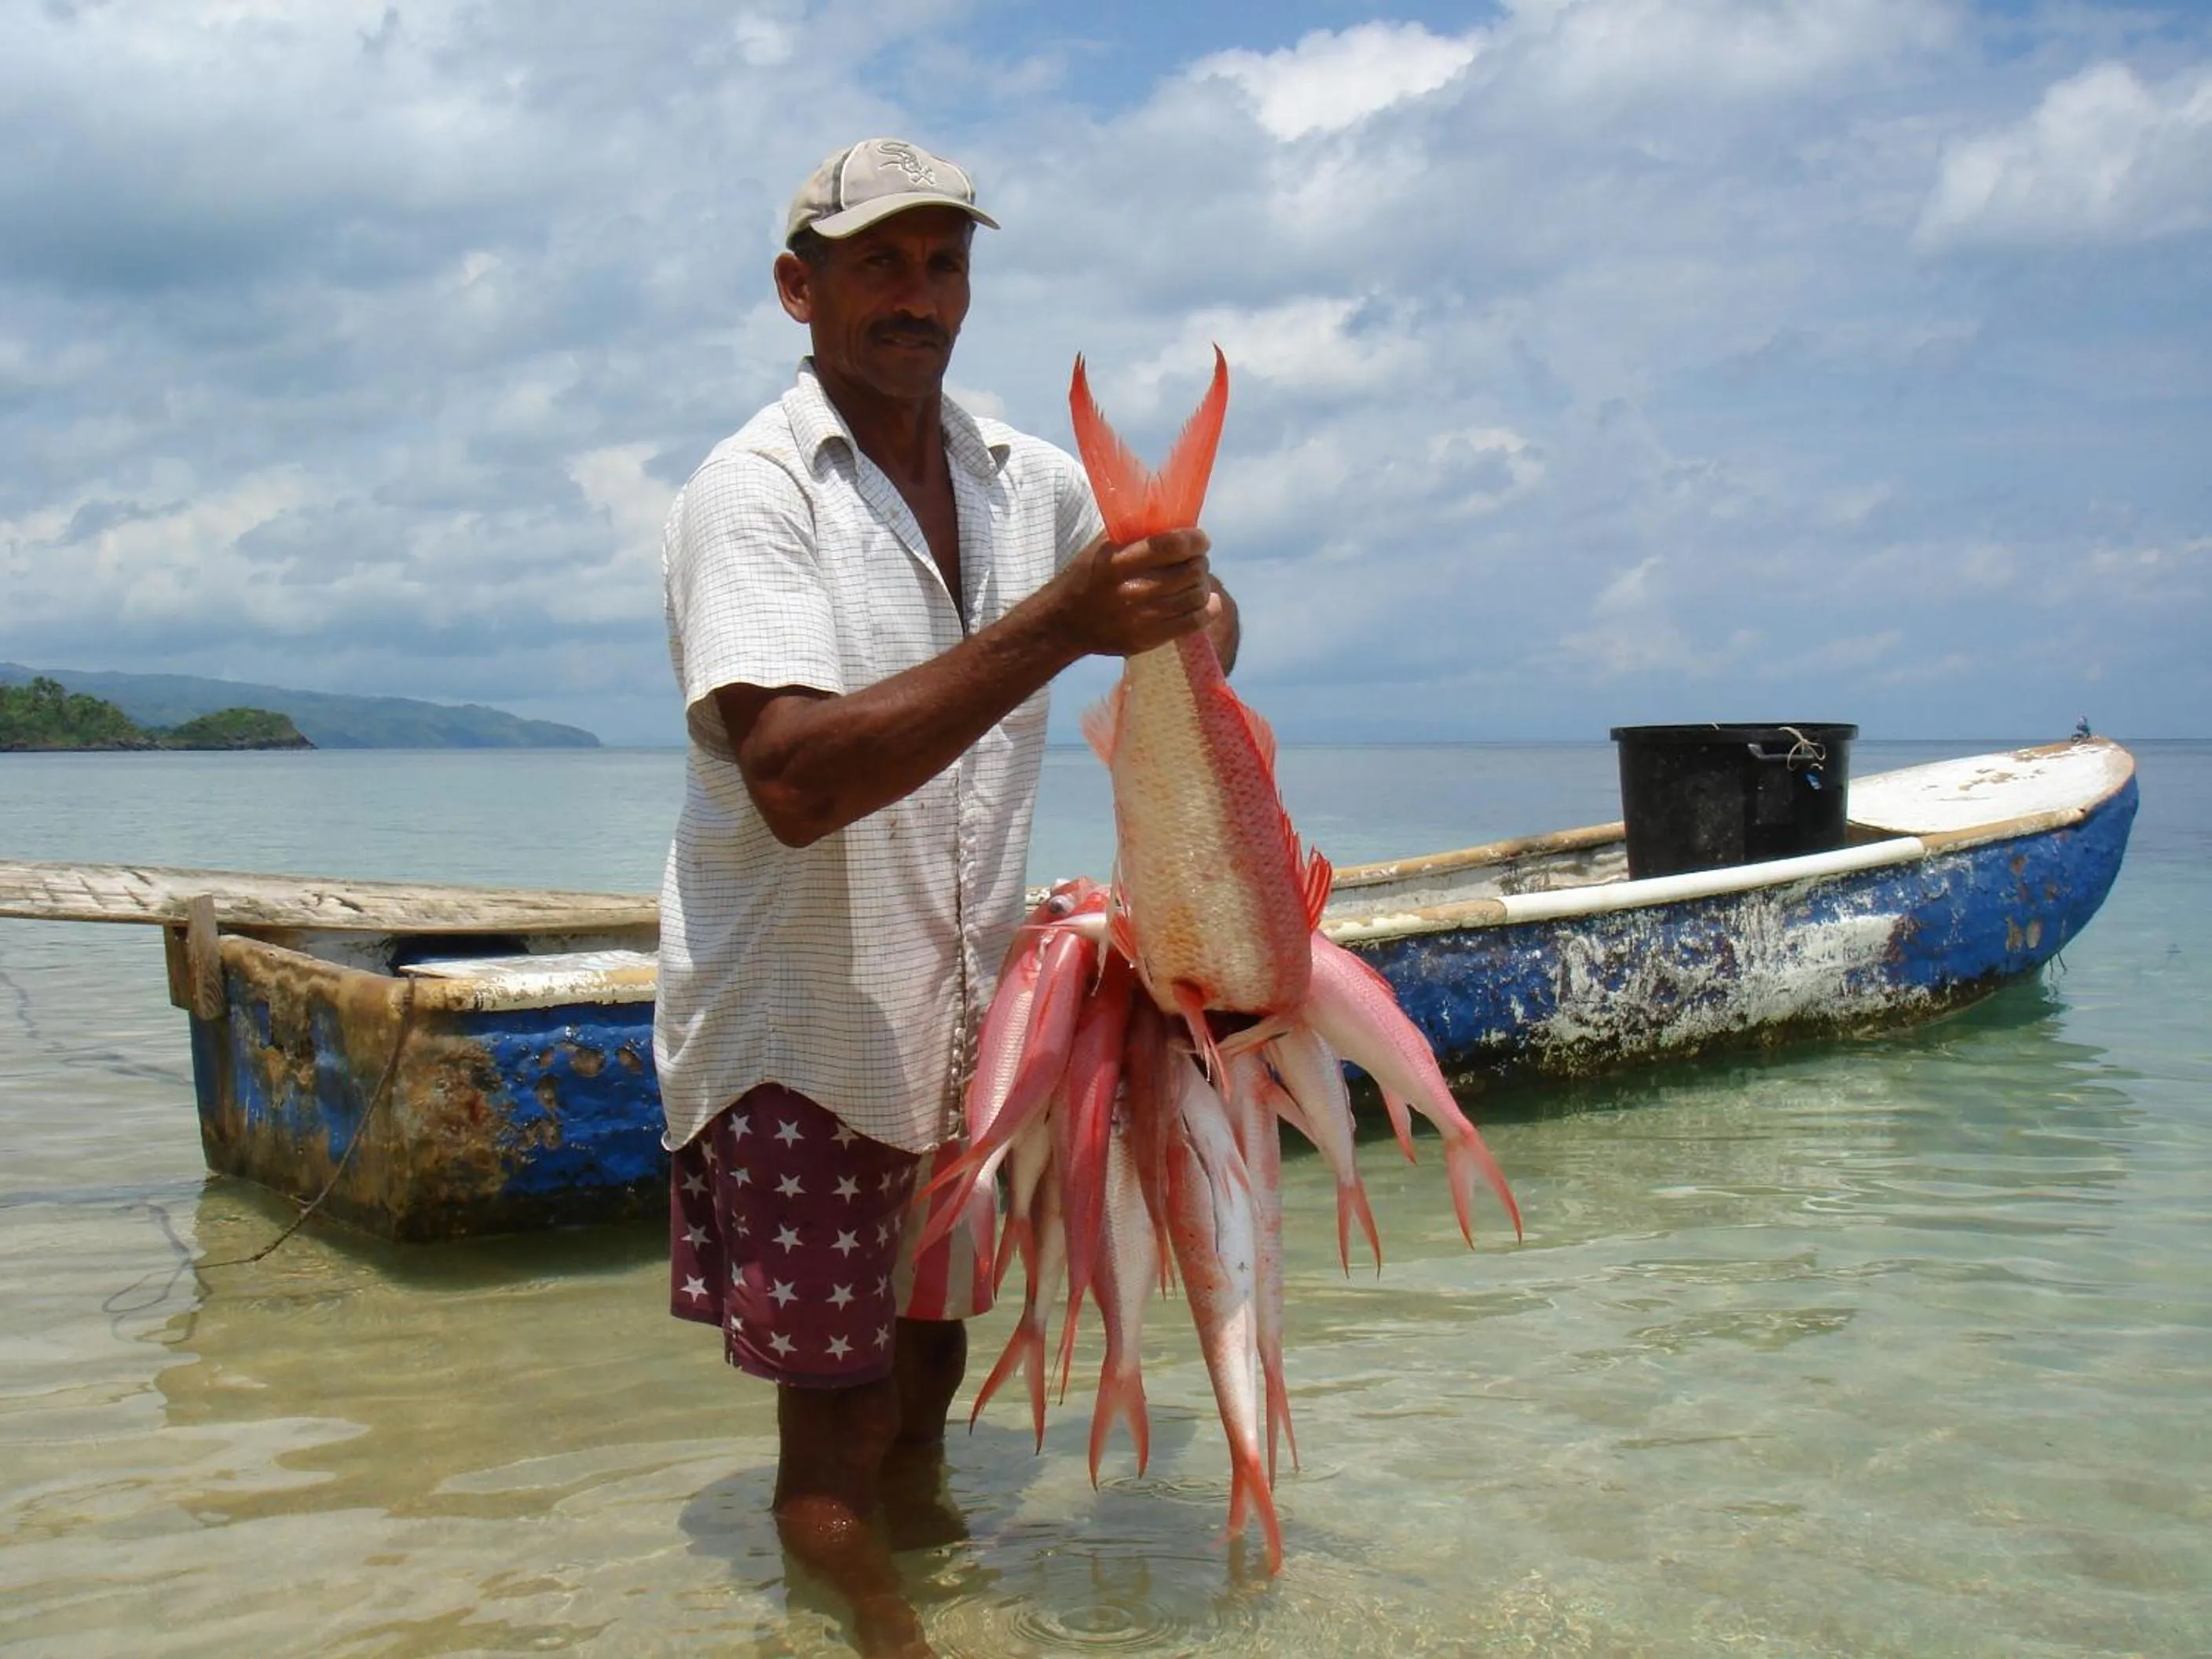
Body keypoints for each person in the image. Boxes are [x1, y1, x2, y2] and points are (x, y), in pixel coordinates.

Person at [654, 137, 1237, 1656]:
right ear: (799, 290)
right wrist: (1065, 624)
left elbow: (1181, 626)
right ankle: (885, 1633)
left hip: (965, 1032)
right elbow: (793, 778)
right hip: (804, 1042)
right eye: (880, 265)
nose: (920, 297)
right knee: (835, 1435)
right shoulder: (751, 494)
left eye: (945, 263)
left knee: (926, 1374)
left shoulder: (1028, 482)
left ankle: (940, 1584)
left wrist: (1187, 609)